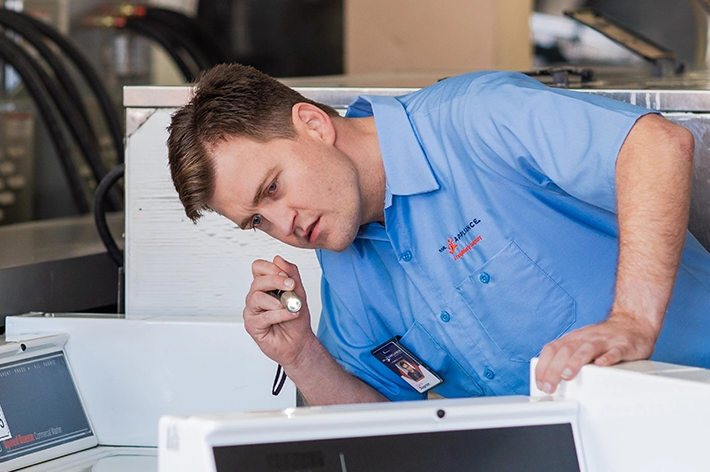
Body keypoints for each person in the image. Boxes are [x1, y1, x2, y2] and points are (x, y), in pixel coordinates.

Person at [167, 64, 710, 403]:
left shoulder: (476, 118)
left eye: (273, 187)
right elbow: (383, 431)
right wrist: (301, 354)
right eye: (256, 221)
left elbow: (658, 146)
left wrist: (632, 322)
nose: (283, 224)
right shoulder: (346, 264)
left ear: (313, 124)